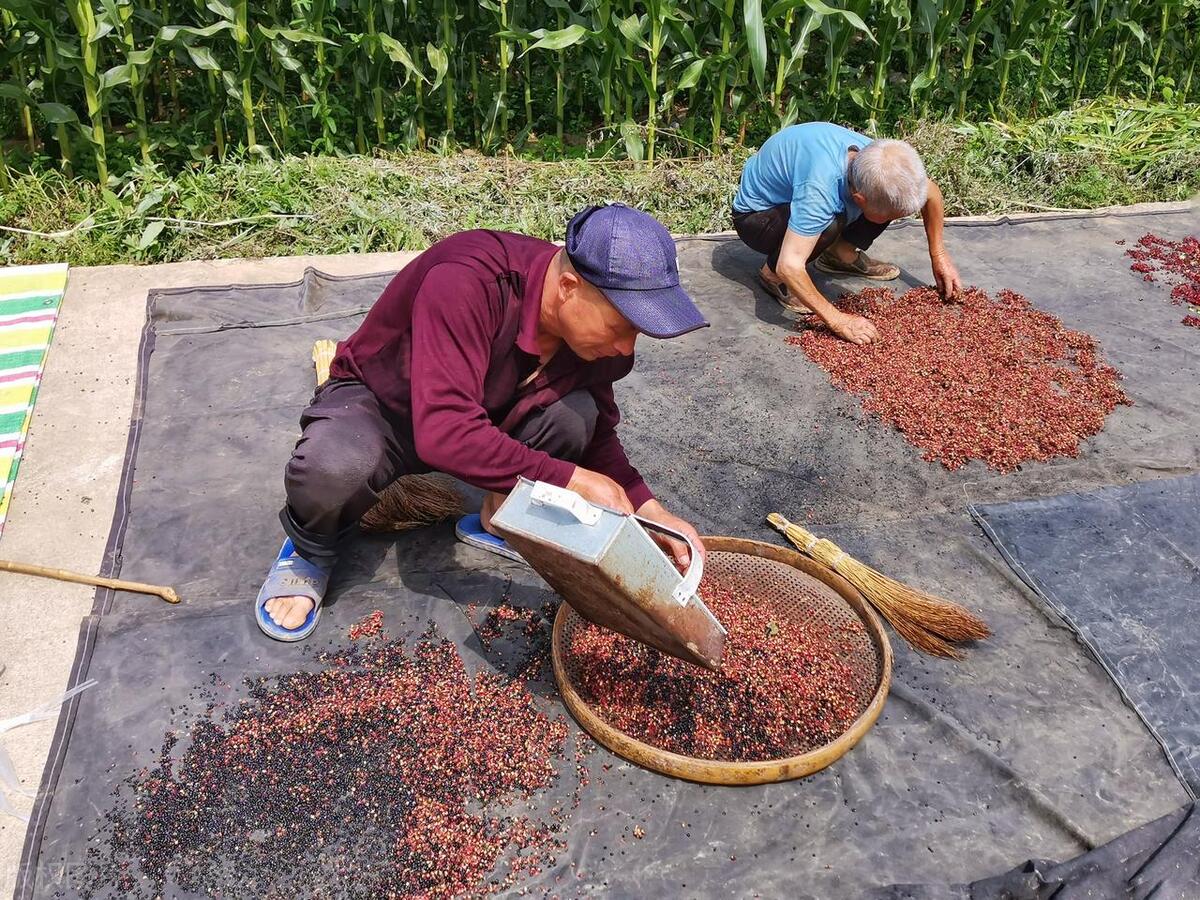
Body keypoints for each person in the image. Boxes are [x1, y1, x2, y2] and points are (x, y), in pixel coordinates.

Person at [255, 203, 710, 641]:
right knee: (332, 468)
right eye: (620, 327)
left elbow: (598, 437)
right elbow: (445, 432)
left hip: (489, 407)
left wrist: (651, 510)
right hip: (385, 405)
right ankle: (310, 546)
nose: (626, 348)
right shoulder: (468, 281)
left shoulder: (592, 343)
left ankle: (499, 516)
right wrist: (570, 480)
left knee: (577, 418)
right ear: (569, 287)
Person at [732, 121, 962, 345]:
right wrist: (839, 321)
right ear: (859, 199)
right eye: (891, 218)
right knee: (830, 223)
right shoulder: (819, 192)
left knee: (882, 205)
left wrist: (939, 255)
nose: (894, 221)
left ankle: (839, 254)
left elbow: (931, 193)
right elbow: (789, 265)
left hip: (810, 192)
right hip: (758, 216)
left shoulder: (879, 161)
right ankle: (770, 277)